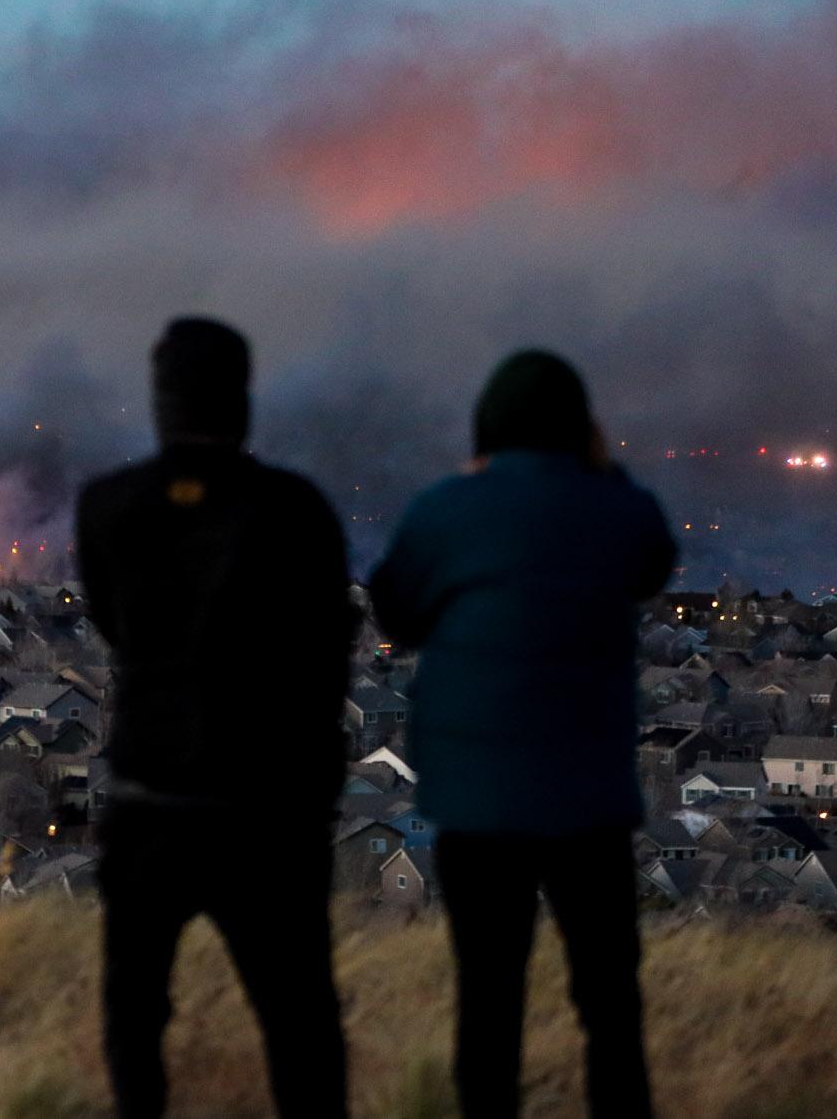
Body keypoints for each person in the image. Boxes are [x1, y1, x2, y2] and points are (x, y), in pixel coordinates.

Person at [368, 349, 677, 1119]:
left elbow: (396, 611)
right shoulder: (615, 508)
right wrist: (603, 470)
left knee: (489, 997)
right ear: (582, 430)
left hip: (477, 802)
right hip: (589, 798)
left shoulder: (446, 508)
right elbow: (654, 564)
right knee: (609, 1002)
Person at [76, 316, 354, 1119]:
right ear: (243, 400)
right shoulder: (296, 512)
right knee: (300, 1020)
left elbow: (113, 624)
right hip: (264, 814)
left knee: (133, 1018)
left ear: (159, 399)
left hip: (148, 805)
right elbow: (324, 657)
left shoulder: (107, 507)